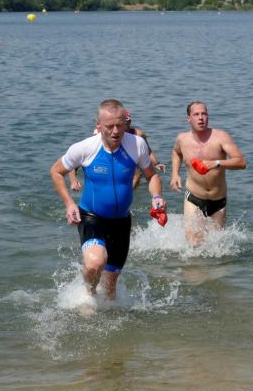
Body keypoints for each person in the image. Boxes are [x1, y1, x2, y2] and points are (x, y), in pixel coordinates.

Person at [50, 99, 166, 301]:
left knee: (111, 287)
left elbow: (151, 175)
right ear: (99, 125)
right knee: (95, 263)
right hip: (91, 216)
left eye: (119, 125)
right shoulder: (85, 148)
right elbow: (56, 171)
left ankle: (108, 311)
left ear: (126, 123)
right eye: (109, 126)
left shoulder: (137, 145)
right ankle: (88, 295)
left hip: (121, 221)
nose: (115, 131)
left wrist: (156, 196)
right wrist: (69, 203)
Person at [169, 101, 246, 244]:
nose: (201, 118)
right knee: (193, 243)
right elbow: (176, 152)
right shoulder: (182, 139)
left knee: (216, 245)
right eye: (196, 114)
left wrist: (216, 163)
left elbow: (241, 162)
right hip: (194, 197)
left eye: (204, 114)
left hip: (218, 200)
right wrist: (175, 174)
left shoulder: (221, 137)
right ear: (188, 118)